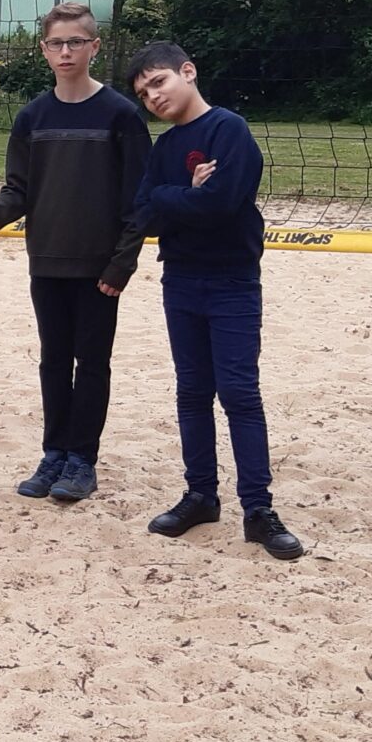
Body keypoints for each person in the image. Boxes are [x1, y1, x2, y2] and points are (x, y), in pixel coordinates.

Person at [112, 43, 306, 561]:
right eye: (143, 93)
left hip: (231, 282)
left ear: (188, 72)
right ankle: (200, 496)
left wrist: (172, 197)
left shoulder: (228, 129)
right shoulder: (166, 146)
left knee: (240, 394)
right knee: (192, 392)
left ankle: (259, 510)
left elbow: (220, 205)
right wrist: (183, 193)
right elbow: (143, 213)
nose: (153, 96)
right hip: (181, 280)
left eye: (158, 83)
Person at [0, 1, 148, 504]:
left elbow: (138, 201)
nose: (66, 52)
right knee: (52, 360)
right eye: (56, 43)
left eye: (75, 42)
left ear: (94, 46)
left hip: (99, 266)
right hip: (47, 260)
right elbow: (19, 189)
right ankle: (54, 453)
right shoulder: (32, 117)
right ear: (44, 50)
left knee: (92, 363)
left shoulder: (121, 116)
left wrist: (121, 263)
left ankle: (82, 459)